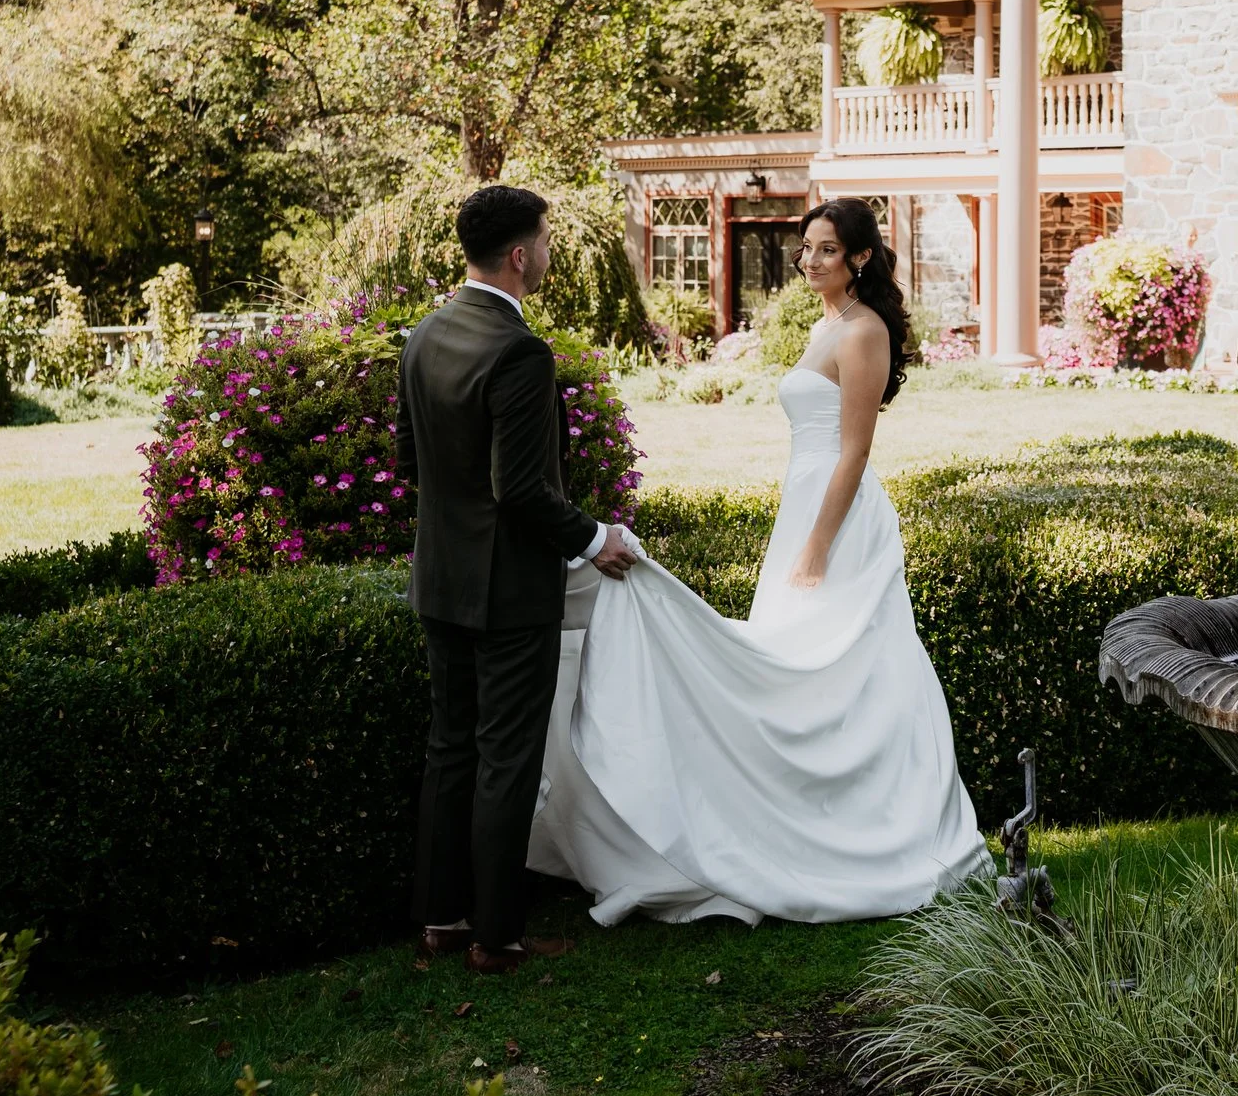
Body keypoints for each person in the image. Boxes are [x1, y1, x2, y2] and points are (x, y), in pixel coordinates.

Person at [527, 197, 990, 924]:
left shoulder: (864, 330)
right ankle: (789, 821)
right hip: (803, 506)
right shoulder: (826, 323)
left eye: (828, 249)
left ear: (861, 257)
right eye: (807, 247)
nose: (810, 260)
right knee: (788, 676)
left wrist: (816, 546)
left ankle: (871, 829)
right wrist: (798, 533)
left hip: (837, 519)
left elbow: (856, 451)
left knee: (837, 670)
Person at [395, 184, 642, 976]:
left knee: (449, 748)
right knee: (505, 757)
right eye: (545, 238)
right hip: (507, 592)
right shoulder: (520, 351)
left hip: (441, 582)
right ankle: (496, 936)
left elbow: (415, 466)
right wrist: (595, 536)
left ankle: (441, 918)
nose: (549, 251)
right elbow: (524, 488)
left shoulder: (425, 335)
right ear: (518, 255)